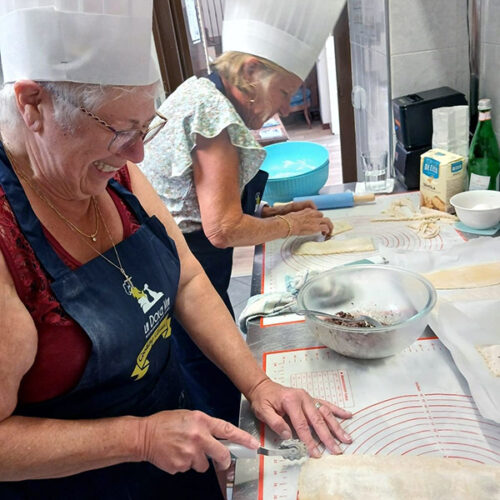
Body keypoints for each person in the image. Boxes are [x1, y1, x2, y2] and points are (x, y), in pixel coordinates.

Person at [0, 1, 351, 499]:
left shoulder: (115, 168)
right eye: (120, 130)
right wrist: (139, 437)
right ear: (33, 103)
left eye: (146, 128)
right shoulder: (7, 236)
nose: (137, 155)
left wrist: (258, 385)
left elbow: (186, 277)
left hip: (174, 460)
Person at [141, 0, 345, 426]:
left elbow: (201, 201)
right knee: (208, 374)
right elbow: (221, 227)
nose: (288, 107)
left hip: (174, 256)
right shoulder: (214, 112)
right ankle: (225, 460)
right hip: (180, 265)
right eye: (286, 91)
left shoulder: (203, 91)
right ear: (251, 72)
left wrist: (274, 212)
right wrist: (293, 225)